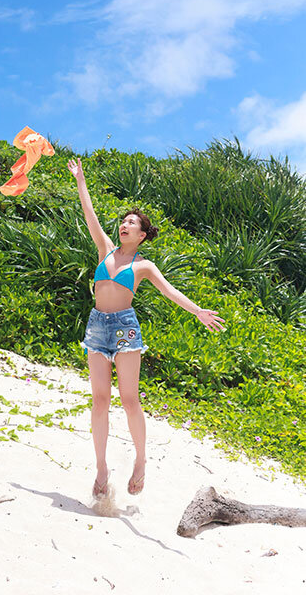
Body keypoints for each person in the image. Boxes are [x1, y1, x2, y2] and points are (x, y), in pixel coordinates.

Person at [67, 157, 226, 497]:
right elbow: (89, 214)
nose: (124, 225)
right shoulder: (104, 250)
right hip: (97, 327)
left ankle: (140, 460)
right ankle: (101, 467)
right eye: (123, 221)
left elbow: (170, 291)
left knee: (129, 399)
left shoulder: (144, 265)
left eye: (131, 223)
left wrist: (197, 311)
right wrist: (80, 180)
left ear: (141, 235)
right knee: (99, 400)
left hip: (124, 328)